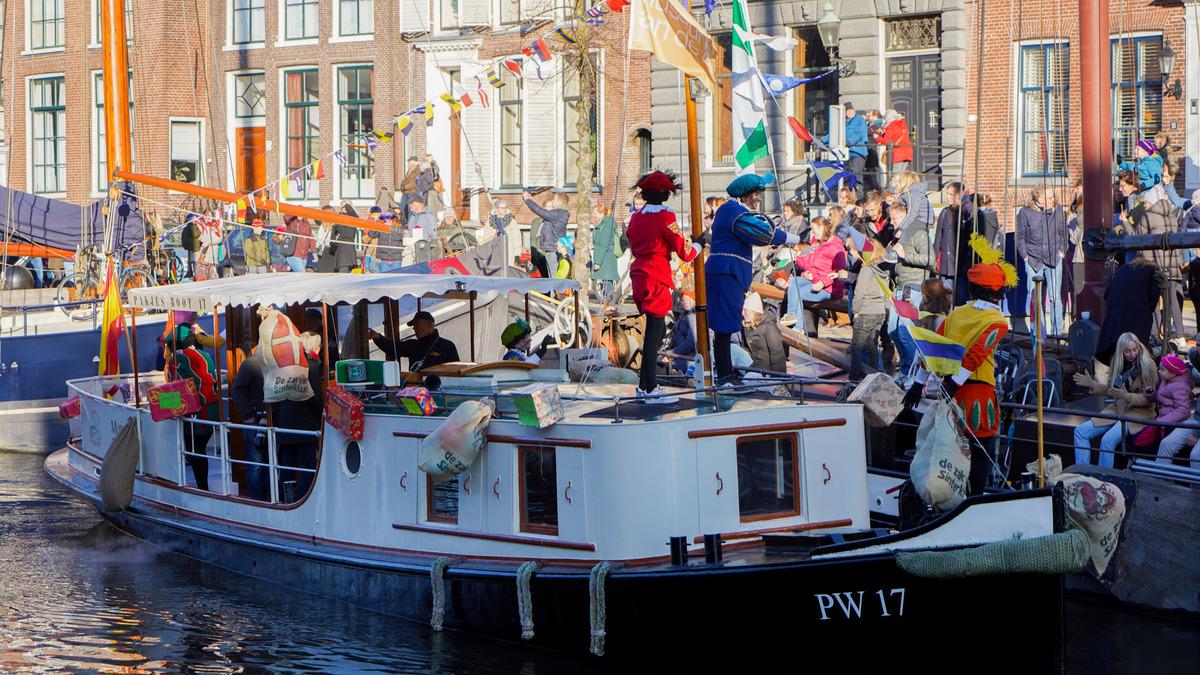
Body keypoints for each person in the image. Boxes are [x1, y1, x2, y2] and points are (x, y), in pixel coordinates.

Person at [903, 234, 1017, 495]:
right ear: (998, 292)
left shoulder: (955, 314)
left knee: (950, 451)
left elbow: (932, 348)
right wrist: (955, 384)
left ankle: (949, 497)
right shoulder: (997, 322)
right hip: (976, 395)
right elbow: (976, 355)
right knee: (980, 456)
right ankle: (972, 503)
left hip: (948, 394)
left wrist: (918, 385)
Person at [707, 172, 801, 386]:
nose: (758, 198)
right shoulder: (735, 211)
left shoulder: (731, 210)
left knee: (727, 325)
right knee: (724, 327)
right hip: (726, 272)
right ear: (744, 195)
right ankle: (724, 376)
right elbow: (761, 233)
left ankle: (726, 374)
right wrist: (790, 238)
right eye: (755, 194)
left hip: (727, 272)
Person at [626, 170, 701, 401]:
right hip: (656, 275)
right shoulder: (666, 217)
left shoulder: (637, 216)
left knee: (653, 332)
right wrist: (699, 244)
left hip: (638, 274)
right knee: (655, 335)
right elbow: (686, 253)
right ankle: (650, 387)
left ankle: (644, 384)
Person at [1072, 332, 1158, 469]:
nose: (1132, 354)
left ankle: (1103, 479)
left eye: (1135, 350)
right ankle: (1083, 473)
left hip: (1139, 412)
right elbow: (1111, 390)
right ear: (1121, 351)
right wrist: (1092, 384)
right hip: (1118, 409)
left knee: (1107, 440)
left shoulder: (1148, 365)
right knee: (1080, 432)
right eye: (1128, 351)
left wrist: (1127, 397)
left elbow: (1150, 398)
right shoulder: (1117, 363)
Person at [886, 198, 936, 382]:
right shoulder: (901, 234)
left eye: (893, 218)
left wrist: (905, 255)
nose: (891, 223)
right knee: (893, 331)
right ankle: (906, 370)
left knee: (906, 333)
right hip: (900, 287)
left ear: (903, 216)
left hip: (913, 288)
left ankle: (914, 373)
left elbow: (930, 260)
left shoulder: (918, 234)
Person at [166, 324, 220, 491]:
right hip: (213, 410)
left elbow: (174, 386)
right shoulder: (205, 355)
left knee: (195, 451)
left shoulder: (177, 361)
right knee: (201, 448)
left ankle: (202, 489)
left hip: (196, 412)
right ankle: (203, 486)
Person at [276, 332, 324, 502]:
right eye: (319, 345)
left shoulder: (286, 364)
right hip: (304, 426)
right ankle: (302, 501)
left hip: (286, 423)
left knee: (287, 467)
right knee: (307, 467)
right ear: (313, 347)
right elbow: (316, 396)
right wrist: (320, 417)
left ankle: (284, 500)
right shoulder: (310, 365)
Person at [1015, 184, 1069, 335]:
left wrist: (1061, 252)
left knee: (1055, 298)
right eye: (1050, 197)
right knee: (1035, 299)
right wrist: (1025, 256)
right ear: (1039, 198)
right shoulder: (1025, 212)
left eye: (1053, 196)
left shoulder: (1057, 210)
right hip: (1033, 259)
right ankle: (1039, 333)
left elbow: (1064, 233)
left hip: (1053, 258)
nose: (1053, 199)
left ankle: (1056, 333)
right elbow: (1020, 237)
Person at [778, 216, 846, 327]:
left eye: (814, 229)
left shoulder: (834, 247)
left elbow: (840, 271)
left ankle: (798, 327)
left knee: (797, 293)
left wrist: (823, 282)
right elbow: (811, 263)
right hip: (815, 280)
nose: (812, 232)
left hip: (829, 288)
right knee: (794, 281)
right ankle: (791, 315)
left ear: (822, 228)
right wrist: (804, 272)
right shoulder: (818, 243)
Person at [1095, 256, 1160, 363]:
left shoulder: (1125, 268)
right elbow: (1154, 295)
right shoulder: (1153, 271)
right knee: (1135, 351)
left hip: (1114, 318)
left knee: (1117, 350)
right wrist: (1146, 309)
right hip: (1136, 318)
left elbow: (1107, 293)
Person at [844, 231, 888, 380]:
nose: (849, 251)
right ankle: (874, 377)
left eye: (851, 249)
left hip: (866, 312)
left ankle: (853, 379)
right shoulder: (881, 269)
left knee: (856, 348)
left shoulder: (865, 269)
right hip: (879, 313)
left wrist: (855, 311)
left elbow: (859, 293)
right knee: (872, 347)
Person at [366, 310, 460, 371]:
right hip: (416, 391)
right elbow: (393, 349)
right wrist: (378, 338)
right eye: (413, 325)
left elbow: (457, 370)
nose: (414, 328)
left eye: (417, 324)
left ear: (429, 324)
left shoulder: (447, 346)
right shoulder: (412, 345)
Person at [230, 351, 267, 500]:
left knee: (270, 464)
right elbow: (237, 390)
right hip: (256, 422)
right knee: (256, 466)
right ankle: (259, 502)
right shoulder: (251, 364)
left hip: (270, 421)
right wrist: (249, 416)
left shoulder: (272, 362)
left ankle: (269, 500)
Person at [1138, 354, 1194, 451]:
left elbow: (1182, 410)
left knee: (1159, 446)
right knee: (1140, 440)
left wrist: (1161, 421)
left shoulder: (1180, 387)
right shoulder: (1167, 380)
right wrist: (1152, 394)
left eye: (1162, 369)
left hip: (1172, 424)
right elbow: (1163, 400)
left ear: (1172, 373)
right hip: (1163, 421)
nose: (1159, 371)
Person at [933, 181, 976, 305]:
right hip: (946, 263)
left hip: (960, 263)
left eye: (951, 194)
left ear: (959, 196)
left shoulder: (966, 213)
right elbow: (938, 237)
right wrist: (935, 258)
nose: (947, 197)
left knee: (964, 297)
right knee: (947, 297)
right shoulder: (945, 212)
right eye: (947, 194)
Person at [1158, 348, 1200, 467]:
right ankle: (1158, 482)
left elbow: (1182, 409)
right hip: (1196, 419)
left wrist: (1196, 433)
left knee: (1196, 456)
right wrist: (1193, 353)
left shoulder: (1179, 386)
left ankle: (1194, 486)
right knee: (1166, 444)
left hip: (1197, 424)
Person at [524, 191, 569, 279]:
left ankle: (555, 293)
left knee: (553, 279)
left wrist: (528, 200)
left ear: (560, 202)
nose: (552, 201)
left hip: (553, 251)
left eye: (554, 199)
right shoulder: (558, 214)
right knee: (550, 279)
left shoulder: (558, 214)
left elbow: (539, 210)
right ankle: (552, 293)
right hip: (550, 250)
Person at [743, 292, 785, 374]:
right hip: (753, 363)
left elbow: (777, 354)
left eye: (745, 311)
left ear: (754, 312)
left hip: (765, 369)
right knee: (732, 348)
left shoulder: (769, 327)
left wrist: (776, 378)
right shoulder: (747, 325)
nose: (742, 313)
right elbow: (745, 348)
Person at [591, 202, 622, 296]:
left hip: (605, 259)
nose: (594, 215)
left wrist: (597, 262)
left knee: (608, 284)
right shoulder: (603, 225)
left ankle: (609, 305)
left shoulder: (606, 225)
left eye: (595, 213)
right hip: (604, 258)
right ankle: (608, 305)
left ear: (602, 214)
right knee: (606, 283)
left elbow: (604, 244)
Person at [664, 290, 698, 374]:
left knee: (662, 369)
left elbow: (690, 343)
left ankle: (680, 380)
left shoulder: (693, 317)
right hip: (681, 354)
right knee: (658, 362)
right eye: (682, 300)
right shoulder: (684, 315)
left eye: (687, 299)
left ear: (693, 299)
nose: (684, 302)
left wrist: (671, 354)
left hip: (689, 356)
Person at [874, 109, 913, 177]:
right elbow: (895, 137)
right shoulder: (902, 124)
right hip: (907, 152)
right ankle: (902, 187)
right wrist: (884, 134)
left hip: (898, 154)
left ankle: (894, 188)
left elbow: (886, 141)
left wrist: (877, 138)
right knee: (902, 175)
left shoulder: (891, 126)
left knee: (895, 175)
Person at [398, 157, 421, 225]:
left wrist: (405, 187)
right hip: (405, 192)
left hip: (411, 192)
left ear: (414, 163)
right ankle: (401, 221)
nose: (408, 165)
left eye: (409, 163)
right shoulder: (409, 171)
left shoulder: (417, 171)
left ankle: (410, 223)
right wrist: (402, 185)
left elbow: (414, 183)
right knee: (401, 207)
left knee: (410, 208)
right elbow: (405, 180)